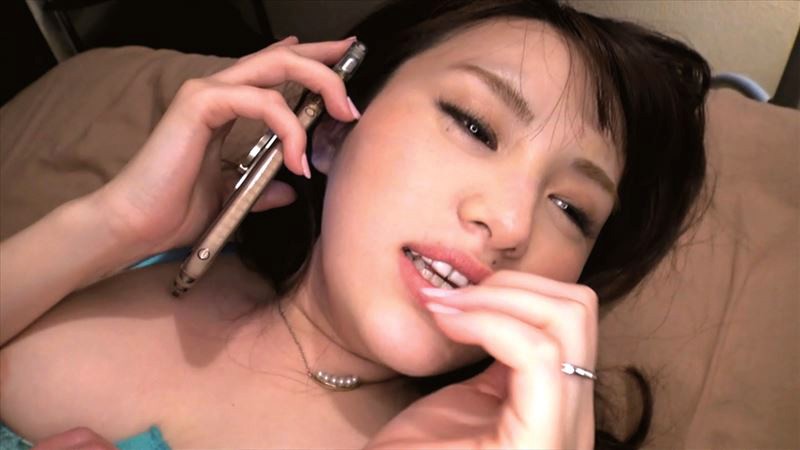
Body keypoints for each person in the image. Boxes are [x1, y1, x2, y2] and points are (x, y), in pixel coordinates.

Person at [0, 0, 710, 448]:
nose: (509, 222)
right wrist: (114, 222)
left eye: (572, 210)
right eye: (474, 124)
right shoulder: (142, 260)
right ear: (335, 127)